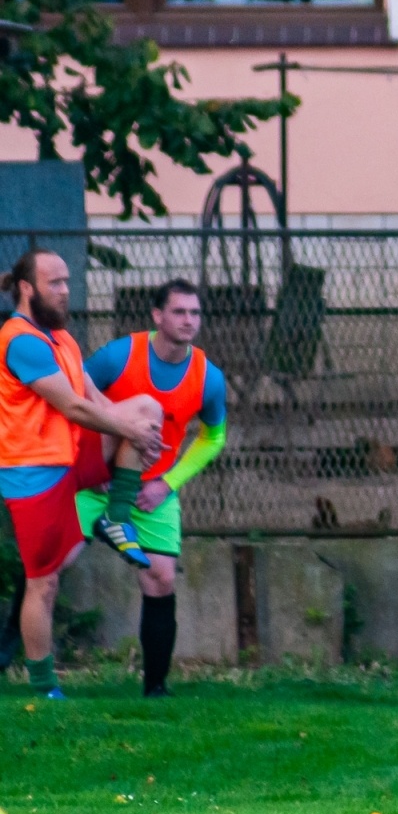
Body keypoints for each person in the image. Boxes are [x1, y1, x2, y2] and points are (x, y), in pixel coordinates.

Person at [0, 250, 163, 698]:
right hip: (33, 472)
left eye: (67, 281)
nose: (65, 290)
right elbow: (71, 407)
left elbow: (96, 402)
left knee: (146, 410)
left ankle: (116, 516)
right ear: (27, 288)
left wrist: (136, 439)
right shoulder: (21, 341)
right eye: (54, 282)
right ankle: (44, 685)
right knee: (44, 582)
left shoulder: (63, 339)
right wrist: (126, 432)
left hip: (70, 454)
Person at [75, 279, 227, 697]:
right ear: (157, 316)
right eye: (179, 311)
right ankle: (14, 661)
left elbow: (214, 438)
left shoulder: (208, 377)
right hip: (96, 481)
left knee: (161, 579)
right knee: (49, 567)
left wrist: (167, 483)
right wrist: (93, 461)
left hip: (151, 490)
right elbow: (73, 392)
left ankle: (156, 688)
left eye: (195, 313)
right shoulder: (120, 355)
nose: (189, 320)